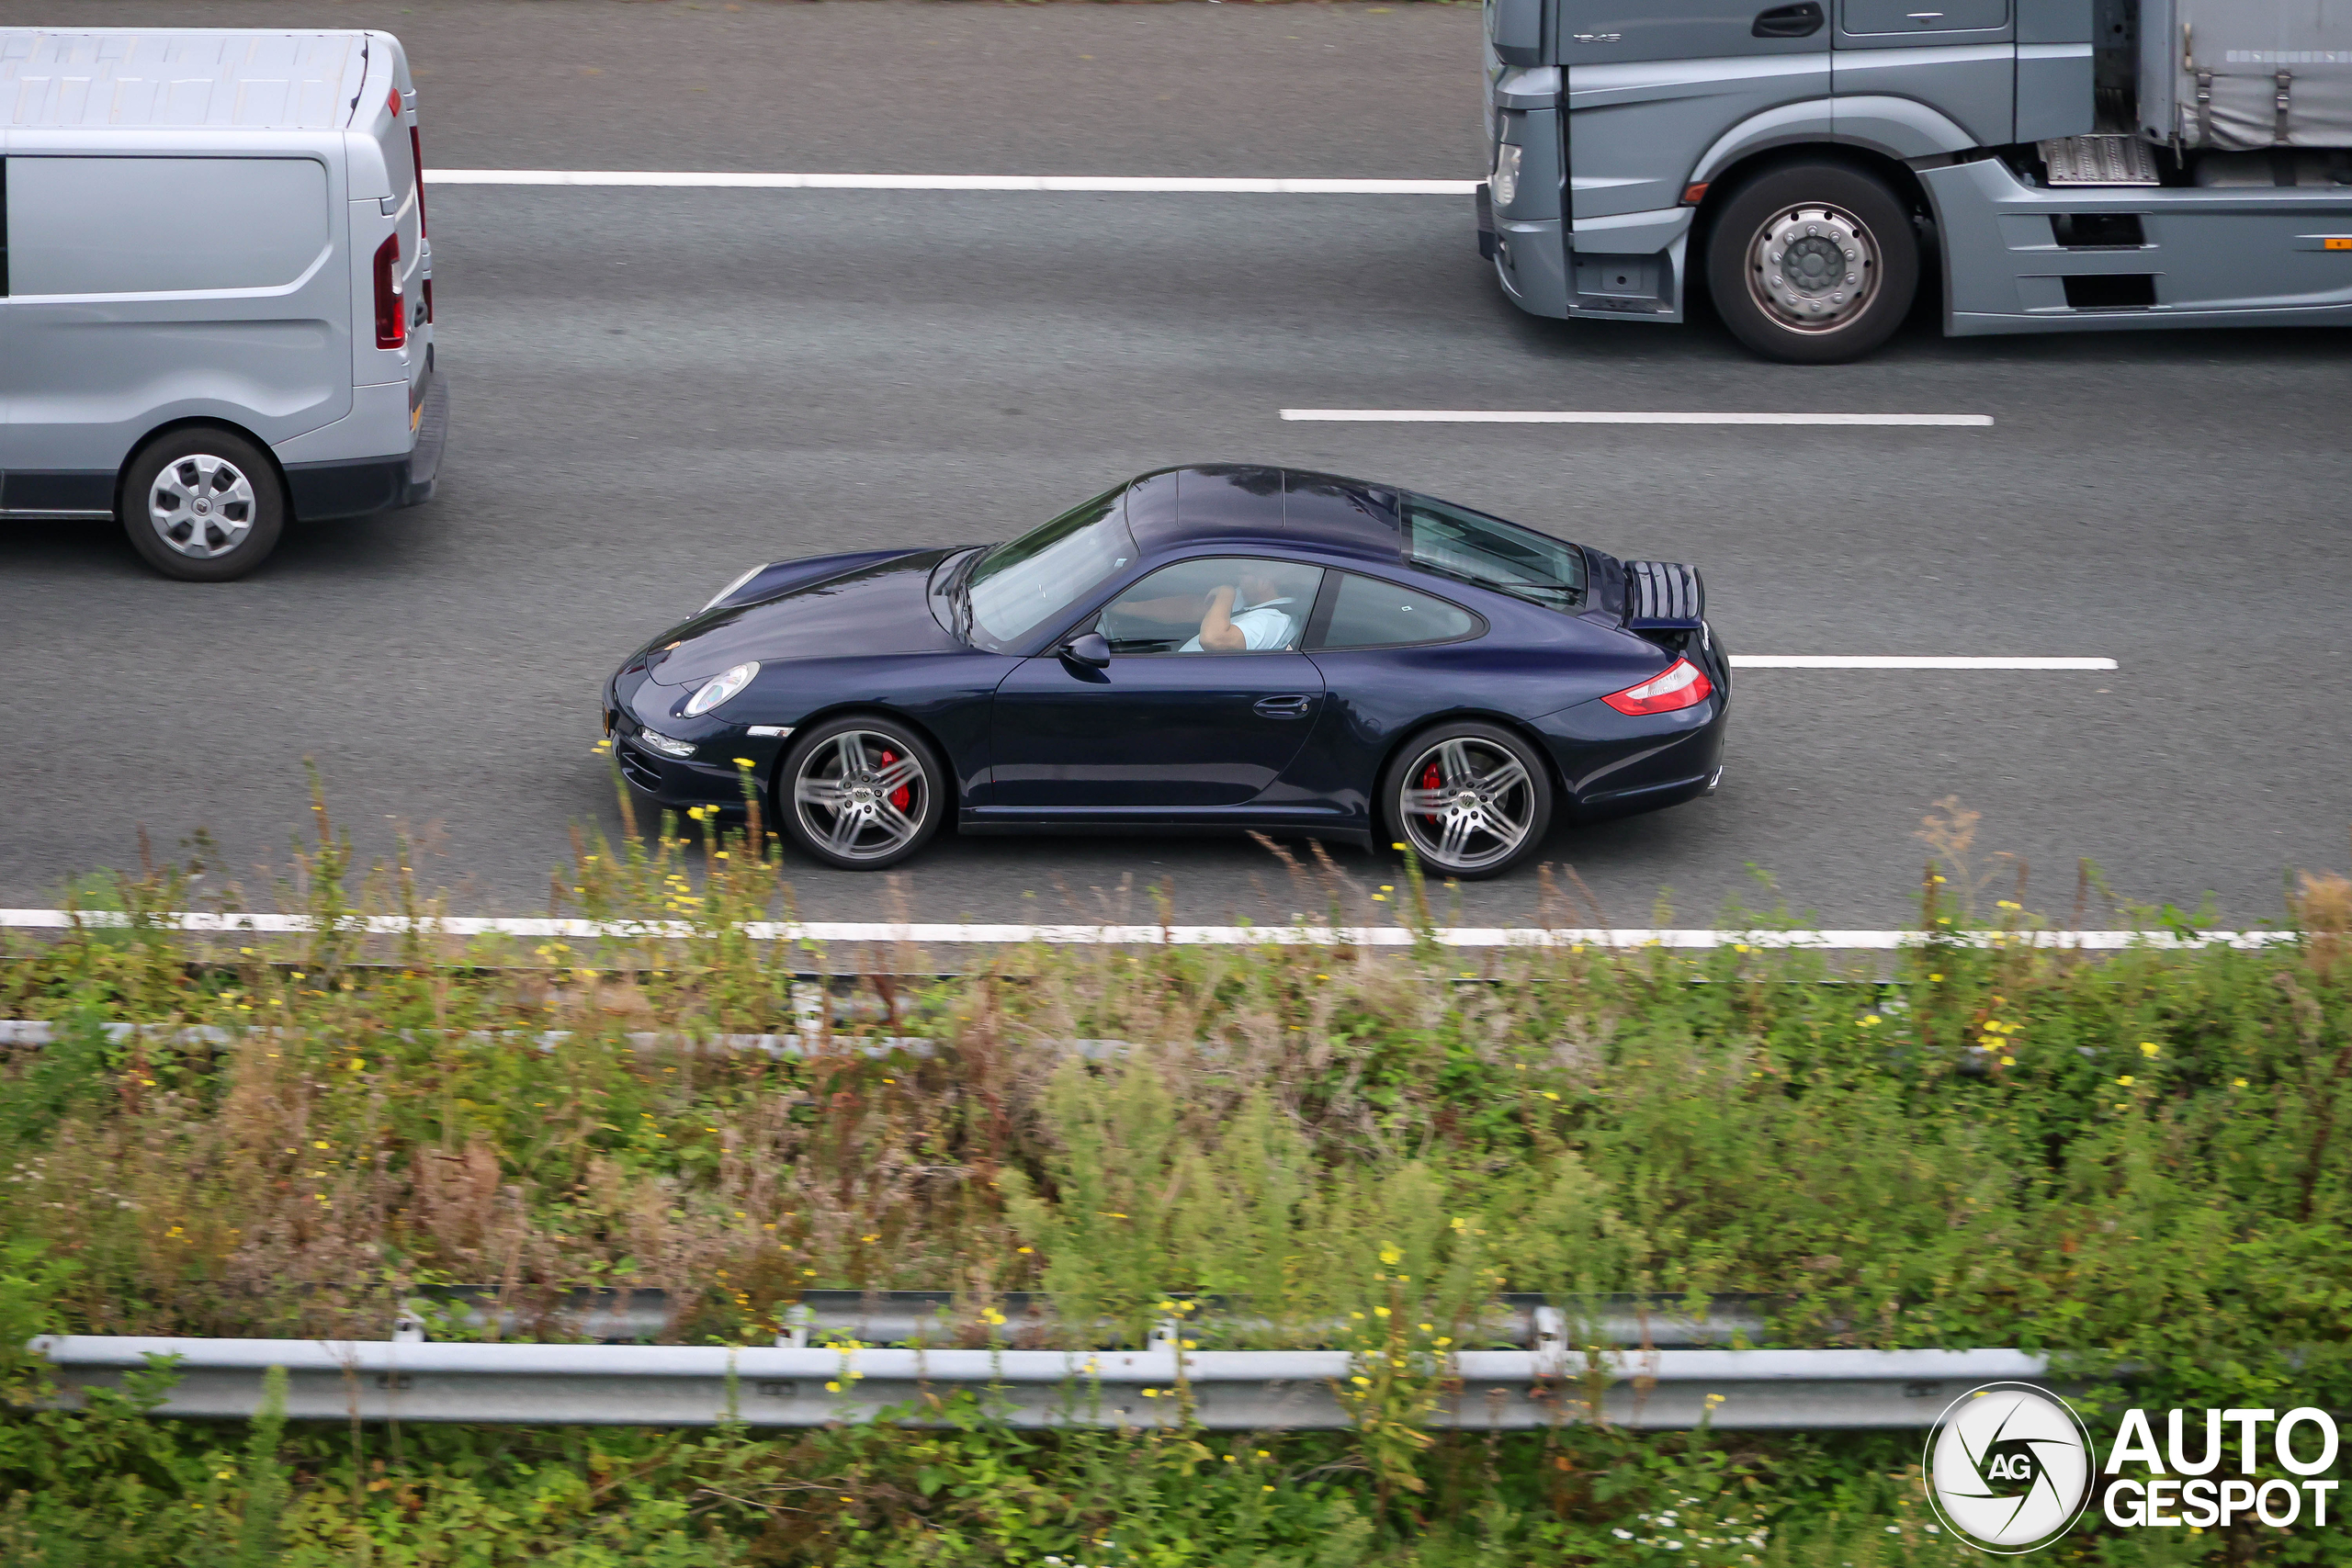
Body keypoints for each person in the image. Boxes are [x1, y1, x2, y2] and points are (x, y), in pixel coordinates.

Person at [1178, 570, 1299, 652]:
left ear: (1263, 581)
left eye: (1244, 574)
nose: (1238, 578)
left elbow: (1213, 640)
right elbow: (1197, 608)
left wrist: (1226, 593)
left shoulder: (1271, 621)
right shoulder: (1249, 598)